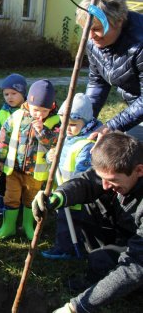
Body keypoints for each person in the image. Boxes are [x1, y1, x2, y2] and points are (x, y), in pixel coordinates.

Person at [32, 132, 143, 313]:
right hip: (125, 233)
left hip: (139, 251)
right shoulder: (118, 168)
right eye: (103, 178)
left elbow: (136, 265)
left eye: (113, 180)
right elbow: (87, 182)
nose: (105, 185)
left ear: (139, 170)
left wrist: (76, 307)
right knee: (100, 258)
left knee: (127, 274)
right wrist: (58, 197)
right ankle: (106, 259)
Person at [0, 80, 60, 240]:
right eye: (36, 110)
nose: (39, 114)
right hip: (14, 168)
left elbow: (55, 143)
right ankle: (8, 227)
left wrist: (43, 132)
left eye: (44, 110)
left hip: (35, 171)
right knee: (11, 196)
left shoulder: (55, 122)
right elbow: (3, 136)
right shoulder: (18, 115)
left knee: (31, 198)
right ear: (28, 102)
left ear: (52, 106)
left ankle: (28, 225)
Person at [76, 0, 143, 140]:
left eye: (96, 29)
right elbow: (97, 82)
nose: (90, 37)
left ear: (119, 21)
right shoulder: (94, 42)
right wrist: (84, 120)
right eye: (86, 29)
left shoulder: (139, 45)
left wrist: (111, 126)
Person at [42, 93, 103, 260]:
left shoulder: (86, 145)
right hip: (64, 190)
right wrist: (51, 156)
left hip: (75, 195)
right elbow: (59, 156)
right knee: (64, 220)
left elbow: (83, 174)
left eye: (73, 124)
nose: (67, 128)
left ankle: (65, 249)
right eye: (64, 124)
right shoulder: (69, 137)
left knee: (68, 224)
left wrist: (72, 189)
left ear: (87, 122)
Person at [0, 74, 27, 216]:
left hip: (24, 160)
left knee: (23, 185)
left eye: (14, 93)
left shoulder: (31, 113)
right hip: (6, 159)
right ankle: (3, 208)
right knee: (4, 183)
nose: (10, 97)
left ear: (23, 93)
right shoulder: (2, 114)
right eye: (6, 94)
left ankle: (21, 208)